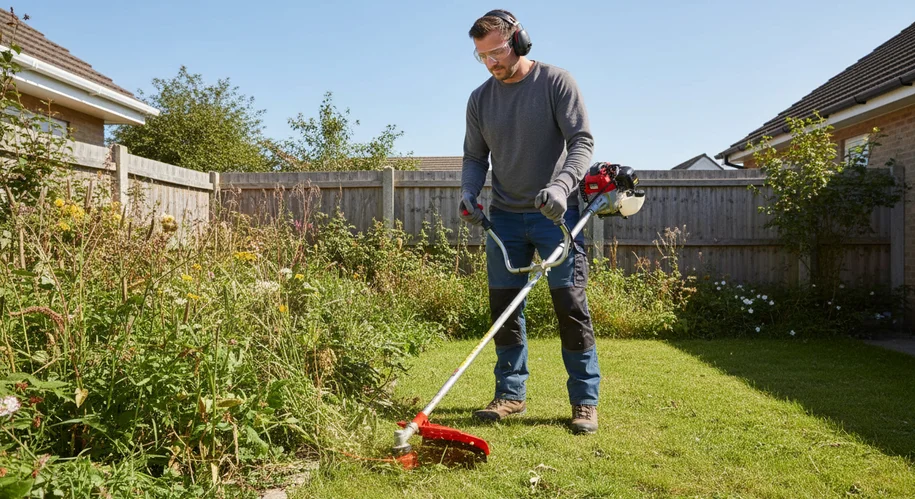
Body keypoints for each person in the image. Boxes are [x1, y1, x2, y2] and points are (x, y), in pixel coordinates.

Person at [459, 9, 599, 434]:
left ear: (519, 41)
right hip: (503, 219)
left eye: (498, 52)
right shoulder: (480, 99)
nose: (491, 62)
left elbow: (582, 141)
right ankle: (510, 395)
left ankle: (584, 402)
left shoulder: (556, 82)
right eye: (482, 56)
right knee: (505, 309)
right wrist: (469, 192)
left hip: (555, 214)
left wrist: (561, 186)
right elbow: (474, 157)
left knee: (570, 307)